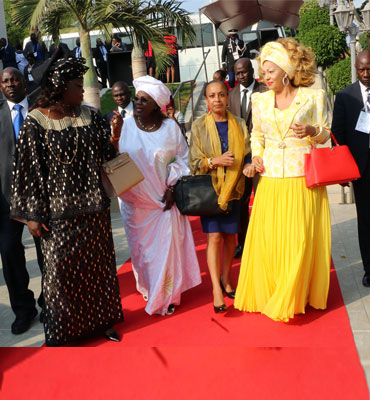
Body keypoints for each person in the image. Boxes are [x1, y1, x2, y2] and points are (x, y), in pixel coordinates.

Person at [10, 57, 124, 346]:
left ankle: (102, 322)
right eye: (77, 86)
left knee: (98, 270)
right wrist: (33, 215)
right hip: (59, 216)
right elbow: (27, 171)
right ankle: (65, 331)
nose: (83, 91)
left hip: (95, 210)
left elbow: (107, 157)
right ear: (60, 87)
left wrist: (115, 136)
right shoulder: (36, 122)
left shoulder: (90, 116)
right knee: (61, 276)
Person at [234, 38, 331, 322]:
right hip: (271, 180)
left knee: (300, 240)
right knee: (272, 240)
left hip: (304, 180)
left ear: (286, 71)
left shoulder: (314, 97)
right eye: (263, 71)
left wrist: (312, 130)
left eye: (270, 71)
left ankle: (296, 293)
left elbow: (325, 134)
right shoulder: (259, 100)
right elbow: (257, 136)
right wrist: (256, 158)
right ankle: (275, 290)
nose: (264, 76)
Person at [118, 75, 201, 316]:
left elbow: (183, 160)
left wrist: (173, 189)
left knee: (166, 251)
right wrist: (113, 137)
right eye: (137, 98)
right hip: (135, 205)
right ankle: (150, 286)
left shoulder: (170, 129)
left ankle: (167, 295)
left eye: (145, 99)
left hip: (165, 202)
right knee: (143, 254)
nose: (139, 103)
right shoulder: (127, 126)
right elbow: (117, 162)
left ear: (157, 104)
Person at [189, 80, 251, 313]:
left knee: (229, 238)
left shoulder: (240, 124)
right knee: (214, 237)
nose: (217, 99)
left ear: (228, 98)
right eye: (212, 95)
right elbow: (193, 162)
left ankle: (227, 279)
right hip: (211, 191)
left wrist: (248, 164)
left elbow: (247, 154)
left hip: (235, 188)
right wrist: (215, 161)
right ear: (206, 100)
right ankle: (216, 288)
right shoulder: (199, 126)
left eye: (221, 95)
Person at [0, 67, 44, 334]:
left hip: (40, 198)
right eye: (5, 81)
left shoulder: (41, 111)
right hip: (5, 200)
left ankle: (49, 304)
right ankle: (23, 310)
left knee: (46, 254)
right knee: (10, 253)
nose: (11, 84)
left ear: (24, 82)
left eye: (15, 79)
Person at [331, 49, 370, 288]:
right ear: (356, 68)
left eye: (369, 69)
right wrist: (341, 170)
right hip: (361, 168)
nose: (366, 74)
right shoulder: (345, 97)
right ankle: (369, 268)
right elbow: (338, 135)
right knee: (366, 220)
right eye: (361, 69)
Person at [229, 57, 267, 258]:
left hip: (262, 155)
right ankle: (242, 243)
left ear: (252, 71)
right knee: (241, 204)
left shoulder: (265, 91)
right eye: (238, 73)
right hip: (240, 157)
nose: (241, 76)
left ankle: (264, 241)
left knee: (263, 199)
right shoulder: (232, 94)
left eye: (244, 72)